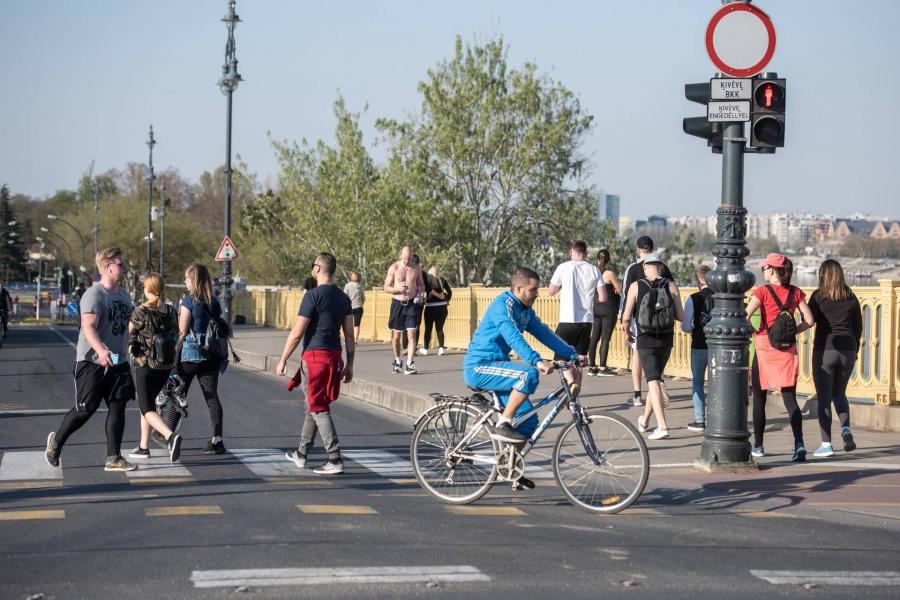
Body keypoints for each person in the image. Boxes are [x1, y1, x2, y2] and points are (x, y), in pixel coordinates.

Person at [464, 266, 582, 446]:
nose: (537, 294)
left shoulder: (525, 310)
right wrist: (537, 361)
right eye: (533, 289)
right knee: (528, 374)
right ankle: (504, 423)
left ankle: (510, 471)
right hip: (480, 366)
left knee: (527, 422)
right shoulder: (503, 305)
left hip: (499, 367)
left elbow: (544, 333)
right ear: (519, 289)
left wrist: (572, 353)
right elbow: (512, 336)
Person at [45, 248, 137, 472]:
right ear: (108, 267)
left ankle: (113, 457)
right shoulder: (94, 295)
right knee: (86, 409)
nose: (124, 268)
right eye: (120, 264)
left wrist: (127, 353)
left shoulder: (125, 297)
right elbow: (88, 327)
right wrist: (101, 351)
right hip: (91, 362)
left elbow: (125, 329)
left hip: (118, 362)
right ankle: (56, 442)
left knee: (118, 407)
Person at [278, 252, 354, 475]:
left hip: (315, 359)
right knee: (312, 405)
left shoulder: (312, 296)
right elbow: (350, 335)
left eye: (313, 265)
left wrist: (283, 359)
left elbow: (297, 332)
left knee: (318, 408)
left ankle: (335, 458)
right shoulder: (343, 298)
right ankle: (301, 454)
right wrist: (350, 364)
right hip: (334, 358)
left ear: (319, 268)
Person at [745, 253, 815, 461]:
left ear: (773, 270)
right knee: (790, 399)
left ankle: (758, 446)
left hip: (765, 349)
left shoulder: (762, 291)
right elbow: (810, 320)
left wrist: (755, 330)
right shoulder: (795, 292)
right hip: (787, 351)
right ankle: (799, 444)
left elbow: (744, 315)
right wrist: (793, 332)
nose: (762, 272)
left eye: (765, 268)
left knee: (759, 398)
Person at [621, 254, 684, 440]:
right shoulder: (671, 286)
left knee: (653, 381)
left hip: (645, 338)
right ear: (661, 267)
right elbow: (680, 316)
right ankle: (645, 421)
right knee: (655, 379)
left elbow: (625, 317)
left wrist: (626, 333)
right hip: (666, 339)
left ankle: (663, 426)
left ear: (645, 267)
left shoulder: (636, 286)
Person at [126, 273, 183, 462]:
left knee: (146, 408)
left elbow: (128, 333)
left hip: (146, 364)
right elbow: (177, 334)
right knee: (148, 404)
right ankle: (144, 447)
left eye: (144, 286)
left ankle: (170, 436)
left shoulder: (141, 311)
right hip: (165, 365)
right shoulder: (170, 310)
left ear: (148, 289)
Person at [808, 259, 862, 457]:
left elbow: (809, 320)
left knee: (824, 398)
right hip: (848, 349)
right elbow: (858, 326)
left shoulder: (818, 297)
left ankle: (826, 445)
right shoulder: (851, 296)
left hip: (825, 350)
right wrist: (854, 349)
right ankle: (846, 428)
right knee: (839, 394)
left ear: (822, 275)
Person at [174, 263, 228, 454]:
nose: (185, 282)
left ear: (193, 280)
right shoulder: (214, 301)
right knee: (211, 396)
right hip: (210, 355)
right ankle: (217, 439)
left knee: (177, 394)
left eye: (187, 279)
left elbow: (181, 332)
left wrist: (173, 356)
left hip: (189, 356)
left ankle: (168, 436)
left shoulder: (188, 301)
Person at [620, 236, 674, 407]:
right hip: (663, 322)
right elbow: (673, 291)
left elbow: (625, 294)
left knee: (637, 354)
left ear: (638, 249)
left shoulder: (633, 268)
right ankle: (657, 384)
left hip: (640, 320)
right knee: (658, 356)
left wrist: (623, 320)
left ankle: (637, 394)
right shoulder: (663, 268)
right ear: (652, 248)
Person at [548, 241, 606, 374]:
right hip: (586, 321)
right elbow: (602, 298)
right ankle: (575, 390)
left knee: (562, 359)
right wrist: (590, 297)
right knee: (580, 359)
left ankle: (570, 385)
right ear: (585, 254)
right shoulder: (594, 269)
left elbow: (551, 291)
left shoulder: (563, 267)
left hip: (568, 319)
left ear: (571, 252)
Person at [680, 265, 714, 432]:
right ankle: (717, 419)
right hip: (717, 348)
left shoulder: (692, 299)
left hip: (699, 345)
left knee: (698, 383)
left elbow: (685, 326)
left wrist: (694, 328)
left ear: (697, 281)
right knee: (718, 384)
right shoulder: (721, 298)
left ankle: (700, 420)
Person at [383, 246, 425, 375]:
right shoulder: (394, 268)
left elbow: (422, 285)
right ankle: (397, 361)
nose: (407, 261)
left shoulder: (416, 268)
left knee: (411, 334)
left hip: (411, 303)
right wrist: (398, 289)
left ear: (411, 257)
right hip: (397, 303)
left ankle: (409, 364)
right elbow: (385, 287)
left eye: (409, 258)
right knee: (396, 336)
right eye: (405, 258)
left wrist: (419, 293)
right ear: (401, 255)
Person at [587, 249, 621, 377]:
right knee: (605, 338)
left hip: (595, 307)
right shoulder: (609, 274)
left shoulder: (592, 272)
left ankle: (591, 367)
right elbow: (619, 288)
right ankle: (602, 367)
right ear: (608, 259)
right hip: (608, 308)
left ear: (597, 259)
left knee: (594, 337)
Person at [419, 265, 451, 356]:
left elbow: (425, 291)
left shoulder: (428, 281)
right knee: (439, 328)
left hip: (430, 307)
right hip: (442, 307)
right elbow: (449, 291)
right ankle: (441, 348)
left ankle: (425, 348)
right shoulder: (442, 280)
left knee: (428, 329)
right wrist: (446, 298)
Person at [343, 271, 365, 346]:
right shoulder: (360, 286)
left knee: (348, 324)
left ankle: (347, 340)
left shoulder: (347, 286)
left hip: (348, 307)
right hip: (358, 307)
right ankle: (355, 341)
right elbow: (363, 297)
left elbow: (345, 296)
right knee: (357, 325)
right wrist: (361, 303)